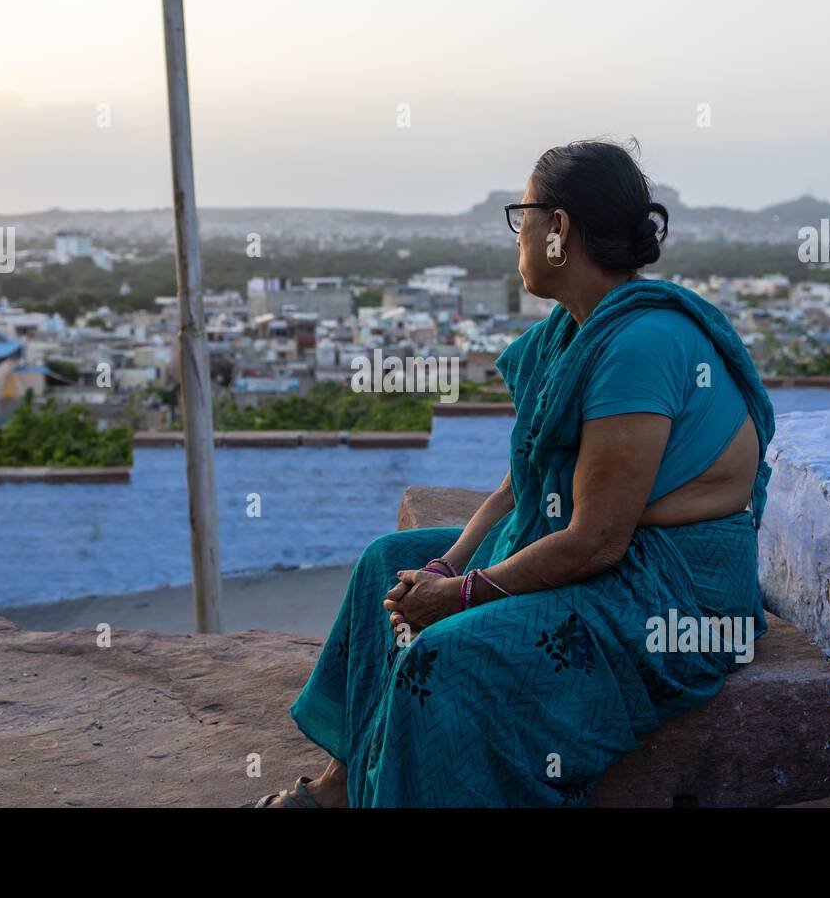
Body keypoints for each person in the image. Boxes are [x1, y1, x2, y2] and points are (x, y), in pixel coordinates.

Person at [253, 138, 775, 807]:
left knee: (442, 653)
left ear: (557, 230)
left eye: (522, 215)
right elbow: (520, 484)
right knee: (389, 562)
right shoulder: (571, 332)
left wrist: (464, 595)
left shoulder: (642, 344)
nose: (517, 235)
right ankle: (346, 785)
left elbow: (596, 540)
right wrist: (450, 563)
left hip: (670, 590)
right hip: (614, 553)